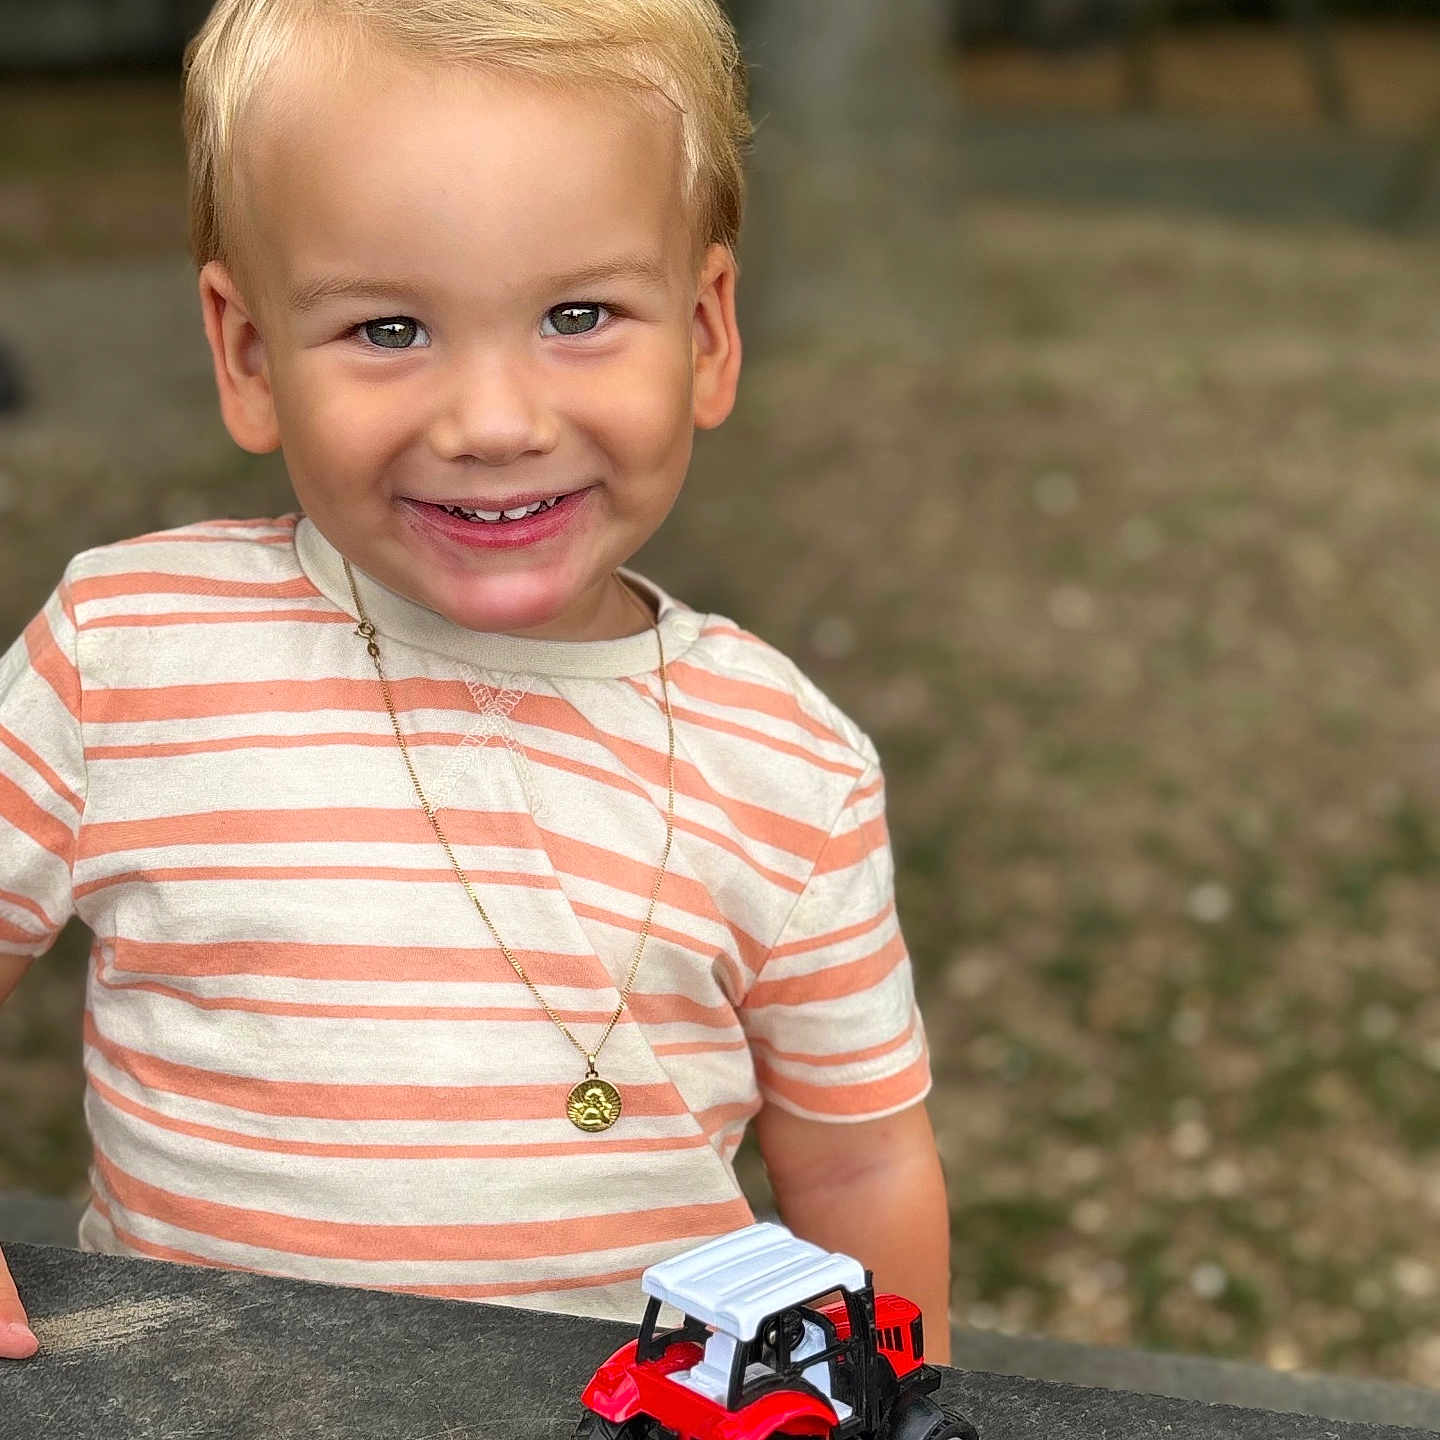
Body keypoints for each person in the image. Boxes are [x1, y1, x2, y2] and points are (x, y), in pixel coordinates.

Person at [0, 0, 950, 1364]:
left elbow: (859, 1170)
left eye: (579, 314)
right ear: (251, 356)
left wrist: (890, 1392)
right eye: (389, 330)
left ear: (709, 331)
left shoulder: (787, 763)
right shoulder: (126, 652)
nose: (495, 423)